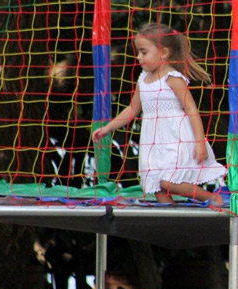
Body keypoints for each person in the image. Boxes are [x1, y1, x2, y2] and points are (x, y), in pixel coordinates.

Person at [92, 22, 226, 205]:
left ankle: (211, 197)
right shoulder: (143, 79)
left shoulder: (172, 78)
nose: (139, 57)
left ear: (163, 53)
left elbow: (191, 109)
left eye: (144, 52)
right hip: (153, 142)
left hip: (173, 137)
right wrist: (108, 128)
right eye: (138, 52)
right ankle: (172, 221)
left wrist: (200, 141)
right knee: (158, 188)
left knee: (167, 181)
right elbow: (132, 109)